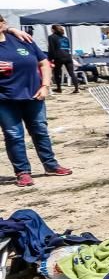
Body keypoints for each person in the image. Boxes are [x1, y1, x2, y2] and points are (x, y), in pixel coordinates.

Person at [0, 16, 72, 187]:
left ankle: (51, 165)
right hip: (5, 99)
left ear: (3, 24)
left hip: (34, 95)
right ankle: (22, 172)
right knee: (14, 135)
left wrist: (45, 86)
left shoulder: (21, 39)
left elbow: (44, 63)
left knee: (40, 131)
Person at [47, 24, 79, 94]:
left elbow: (51, 49)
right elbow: (68, 48)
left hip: (59, 57)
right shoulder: (65, 38)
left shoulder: (51, 37)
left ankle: (59, 88)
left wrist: (50, 58)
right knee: (71, 73)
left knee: (57, 73)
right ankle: (77, 88)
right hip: (68, 56)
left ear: (53, 30)